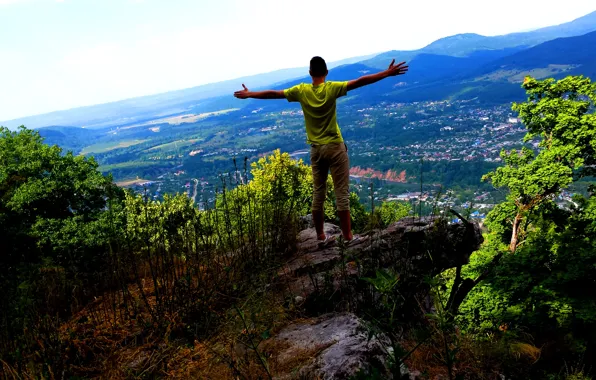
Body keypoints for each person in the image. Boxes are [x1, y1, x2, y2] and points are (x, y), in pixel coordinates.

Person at [234, 56, 408, 245]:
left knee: (319, 193)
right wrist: (387, 73)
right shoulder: (331, 88)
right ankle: (348, 237)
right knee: (341, 193)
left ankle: (320, 236)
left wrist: (250, 94)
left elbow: (274, 94)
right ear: (326, 72)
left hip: (316, 150)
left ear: (310, 73)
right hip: (334, 147)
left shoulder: (301, 91)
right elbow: (360, 81)